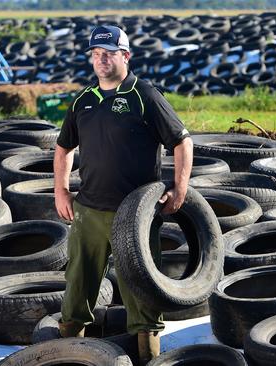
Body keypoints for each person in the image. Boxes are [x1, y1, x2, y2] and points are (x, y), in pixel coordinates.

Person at [53, 25, 193, 363]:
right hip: (88, 212)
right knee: (76, 293)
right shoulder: (84, 100)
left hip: (135, 217)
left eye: (109, 53)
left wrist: (180, 188)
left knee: (142, 299)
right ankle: (68, 356)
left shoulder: (144, 95)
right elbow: (63, 148)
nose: (101, 59)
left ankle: (148, 359)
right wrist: (60, 190)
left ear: (125, 56)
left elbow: (182, 141)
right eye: (96, 53)